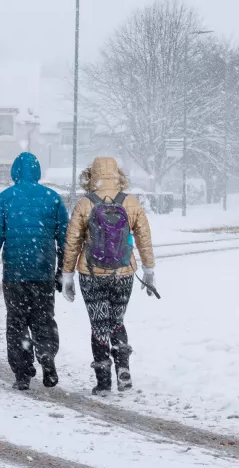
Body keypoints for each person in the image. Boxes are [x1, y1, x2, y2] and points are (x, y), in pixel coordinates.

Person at [60, 157, 156, 395]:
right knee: (117, 321)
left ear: (91, 175)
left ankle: (103, 382)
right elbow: (144, 237)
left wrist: (67, 275)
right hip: (123, 273)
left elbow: (72, 242)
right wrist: (149, 270)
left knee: (99, 324)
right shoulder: (130, 202)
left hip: (91, 274)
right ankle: (123, 369)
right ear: (118, 174)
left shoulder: (85, 204)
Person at [0, 152, 70, 391]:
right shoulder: (52, 199)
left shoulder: (5, 199)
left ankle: (22, 372)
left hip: (15, 274)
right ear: (38, 171)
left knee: (17, 322)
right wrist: (62, 270)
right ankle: (47, 356)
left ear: (14, 172)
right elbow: (65, 239)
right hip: (43, 273)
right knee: (43, 319)